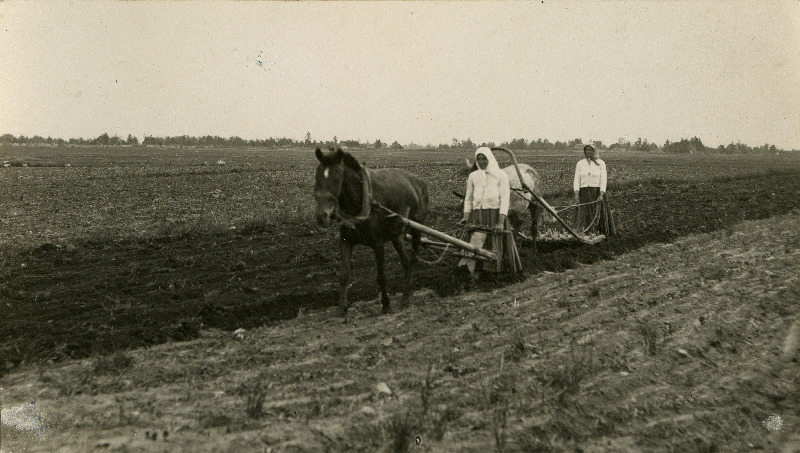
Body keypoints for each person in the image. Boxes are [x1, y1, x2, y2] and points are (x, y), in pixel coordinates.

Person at [458, 147, 521, 275]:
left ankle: (494, 271)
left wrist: (500, 222)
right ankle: (477, 269)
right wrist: (466, 216)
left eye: (484, 159)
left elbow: (504, 200)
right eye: (479, 159)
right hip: (477, 215)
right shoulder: (473, 176)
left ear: (490, 159)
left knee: (494, 243)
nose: (481, 162)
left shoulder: (501, 175)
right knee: (476, 242)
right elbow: (468, 198)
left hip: (495, 215)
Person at [573, 144, 617, 236]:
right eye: (586, 150)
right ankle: (584, 233)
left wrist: (601, 194)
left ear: (594, 151)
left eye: (590, 150)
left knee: (597, 214)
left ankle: (598, 233)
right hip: (584, 193)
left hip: (596, 193)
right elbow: (576, 179)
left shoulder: (601, 163)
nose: (588, 151)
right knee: (584, 215)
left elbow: (603, 180)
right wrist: (576, 193)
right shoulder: (580, 163)